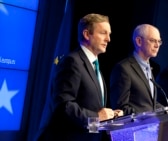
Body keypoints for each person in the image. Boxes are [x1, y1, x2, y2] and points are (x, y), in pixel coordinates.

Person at [36, 13, 123, 141]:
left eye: (109, 34)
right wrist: (97, 116)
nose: (108, 39)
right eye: (103, 33)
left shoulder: (94, 65)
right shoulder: (72, 61)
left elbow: (92, 106)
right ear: (87, 34)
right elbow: (63, 106)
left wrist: (109, 116)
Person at [110, 24, 164, 116]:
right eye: (152, 41)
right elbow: (121, 107)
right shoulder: (123, 68)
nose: (157, 45)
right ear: (139, 41)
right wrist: (147, 115)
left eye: (159, 41)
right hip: (133, 128)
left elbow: (150, 104)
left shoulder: (150, 68)